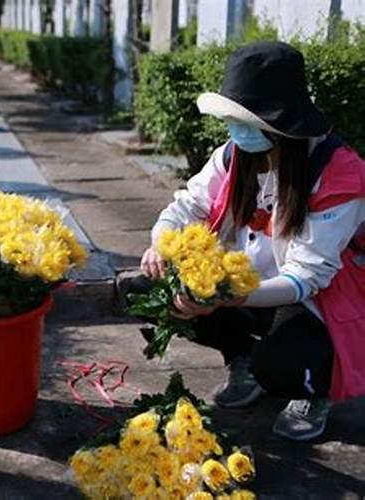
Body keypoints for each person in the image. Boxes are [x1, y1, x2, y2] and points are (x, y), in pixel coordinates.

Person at [140, 41, 365, 441]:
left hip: (315, 300)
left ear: (283, 122)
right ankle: (241, 357)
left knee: (281, 365)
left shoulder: (340, 175)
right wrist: (161, 244)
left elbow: (306, 277)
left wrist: (234, 296)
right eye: (234, 118)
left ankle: (313, 391)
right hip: (245, 286)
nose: (236, 130)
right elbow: (185, 207)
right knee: (150, 292)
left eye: (247, 120)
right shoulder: (233, 154)